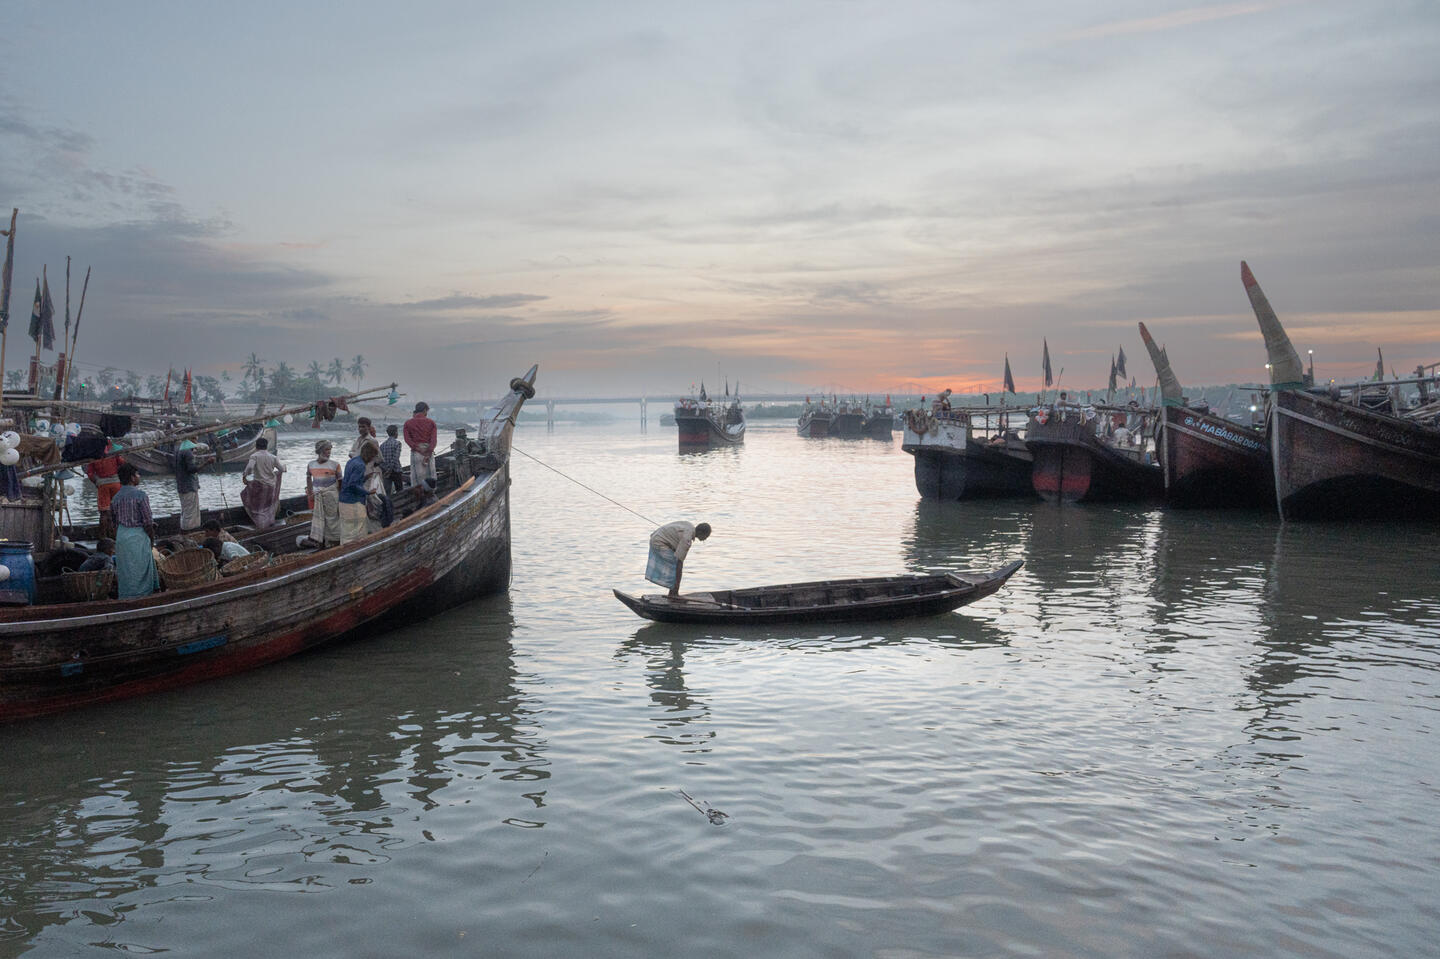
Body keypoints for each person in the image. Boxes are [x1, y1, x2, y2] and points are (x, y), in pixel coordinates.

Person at [111, 464, 159, 598]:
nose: (139, 477)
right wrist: (152, 539)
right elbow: (148, 523)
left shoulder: (115, 498)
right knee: (140, 570)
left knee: (127, 570)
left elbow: (114, 523)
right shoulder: (140, 495)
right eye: (137, 474)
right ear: (132, 478)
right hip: (137, 537)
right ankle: (142, 596)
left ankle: (127, 597)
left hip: (122, 537)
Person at [646, 520, 712, 598]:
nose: (705, 539)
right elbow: (679, 562)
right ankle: (673, 594)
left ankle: (673, 592)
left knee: (676, 563)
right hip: (658, 542)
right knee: (676, 565)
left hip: (656, 536)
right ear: (701, 532)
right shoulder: (687, 539)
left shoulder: (689, 525)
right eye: (705, 537)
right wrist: (677, 583)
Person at [338, 441, 379, 544]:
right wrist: (368, 492)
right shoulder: (360, 465)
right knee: (356, 532)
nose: (372, 459)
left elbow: (350, 481)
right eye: (372, 456)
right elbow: (353, 485)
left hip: (343, 500)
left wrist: (366, 477)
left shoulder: (352, 461)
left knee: (346, 530)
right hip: (353, 502)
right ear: (368, 454)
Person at [241, 437, 285, 529]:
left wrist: (245, 475)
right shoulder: (273, 457)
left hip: (259, 486)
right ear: (266, 446)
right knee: (268, 505)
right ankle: (269, 521)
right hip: (271, 486)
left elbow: (249, 468)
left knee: (256, 505)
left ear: (256, 446)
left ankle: (261, 524)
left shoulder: (255, 456)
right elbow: (281, 469)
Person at [84, 441, 125, 541]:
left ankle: (102, 537)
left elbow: (90, 473)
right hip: (116, 483)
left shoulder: (93, 455)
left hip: (102, 485)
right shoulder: (113, 453)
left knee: (104, 512)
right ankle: (116, 536)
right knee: (117, 511)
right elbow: (122, 463)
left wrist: (97, 482)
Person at [305, 439, 341, 547]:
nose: (329, 452)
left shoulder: (335, 465)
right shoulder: (311, 464)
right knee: (320, 518)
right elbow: (308, 477)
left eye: (330, 450)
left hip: (332, 496)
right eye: (326, 450)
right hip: (317, 496)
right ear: (320, 451)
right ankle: (323, 540)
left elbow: (340, 482)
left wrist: (340, 496)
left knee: (332, 519)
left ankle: (335, 540)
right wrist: (311, 493)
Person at [173, 439, 211, 533]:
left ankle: (186, 532)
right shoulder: (187, 452)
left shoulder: (179, 451)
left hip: (183, 487)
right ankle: (189, 534)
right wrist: (206, 463)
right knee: (190, 514)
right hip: (188, 487)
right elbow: (192, 469)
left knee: (186, 512)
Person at [404, 401, 438, 492]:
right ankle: (431, 495)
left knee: (417, 479)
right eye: (426, 411)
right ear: (424, 410)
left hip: (416, 454)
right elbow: (433, 441)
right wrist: (428, 452)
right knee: (430, 477)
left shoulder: (408, 423)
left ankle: (418, 497)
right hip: (428, 453)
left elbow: (407, 440)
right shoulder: (431, 423)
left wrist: (417, 449)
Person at [379, 424, 405, 495]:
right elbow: (395, 458)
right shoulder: (397, 443)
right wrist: (390, 470)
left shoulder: (382, 445)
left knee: (387, 491)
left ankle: (387, 504)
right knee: (400, 491)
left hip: (385, 471)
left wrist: (386, 470)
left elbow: (380, 460)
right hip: (395, 470)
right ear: (396, 433)